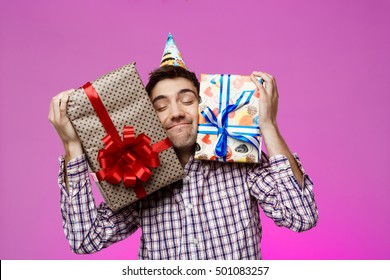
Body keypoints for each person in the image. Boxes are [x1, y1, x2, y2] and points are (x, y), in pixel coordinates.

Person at [48, 65, 318, 260]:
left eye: (187, 100)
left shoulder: (242, 162)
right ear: (148, 118)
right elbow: (85, 239)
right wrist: (72, 147)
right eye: (161, 107)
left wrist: (267, 125)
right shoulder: (139, 175)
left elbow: (302, 216)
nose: (176, 113)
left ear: (204, 106)